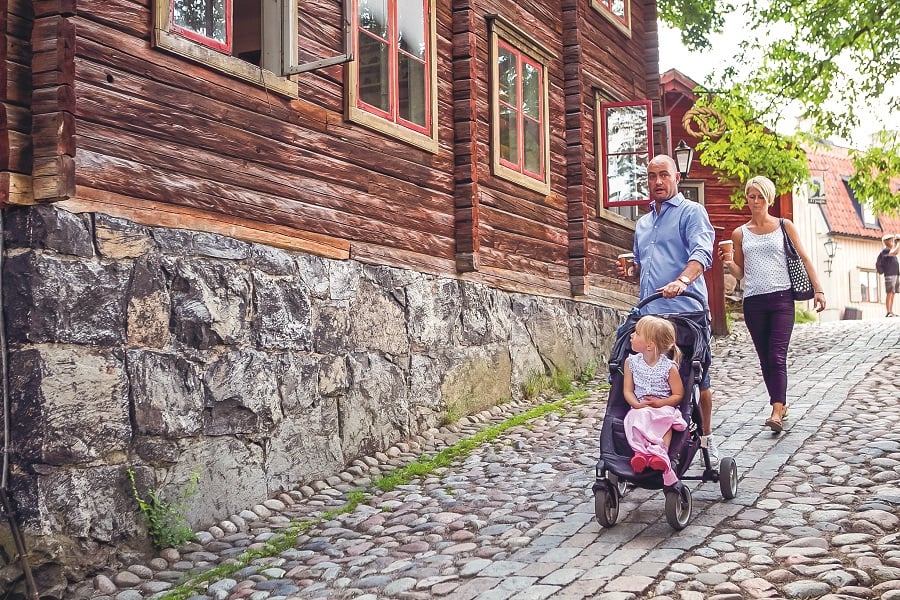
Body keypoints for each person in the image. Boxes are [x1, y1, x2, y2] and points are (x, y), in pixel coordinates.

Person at [615, 154, 718, 464]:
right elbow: (640, 263)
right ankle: (640, 435)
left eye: (664, 175)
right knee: (629, 367)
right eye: (651, 176)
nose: (657, 182)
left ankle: (707, 438)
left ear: (676, 178)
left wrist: (682, 280)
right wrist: (631, 270)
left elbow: (702, 253)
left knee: (697, 378)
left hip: (686, 311)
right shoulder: (643, 223)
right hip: (649, 314)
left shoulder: (692, 213)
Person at [718, 176, 825, 433]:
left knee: (777, 355)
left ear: (769, 199)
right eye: (751, 196)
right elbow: (741, 273)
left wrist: (818, 290)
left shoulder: (784, 226)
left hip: (781, 299)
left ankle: (776, 409)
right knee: (765, 358)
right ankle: (781, 404)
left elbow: (804, 258)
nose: (755, 202)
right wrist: (728, 263)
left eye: (760, 197)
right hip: (753, 302)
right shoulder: (739, 233)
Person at [622, 316, 687, 486]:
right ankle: (640, 453)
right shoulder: (631, 362)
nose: (631, 335)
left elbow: (678, 395)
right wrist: (635, 404)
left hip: (663, 406)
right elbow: (627, 390)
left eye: (636, 333)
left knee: (665, 419)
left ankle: (660, 453)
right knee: (635, 418)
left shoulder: (669, 367)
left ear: (650, 345)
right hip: (641, 406)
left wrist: (661, 403)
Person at [876, 234, 899, 317]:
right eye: (891, 240)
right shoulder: (886, 250)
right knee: (889, 293)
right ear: (887, 242)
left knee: (893, 293)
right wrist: (899, 243)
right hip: (889, 275)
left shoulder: (890, 250)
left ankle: (891, 311)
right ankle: (888, 311)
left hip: (895, 274)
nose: (892, 241)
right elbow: (895, 252)